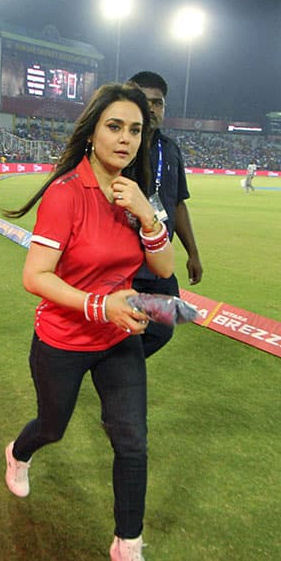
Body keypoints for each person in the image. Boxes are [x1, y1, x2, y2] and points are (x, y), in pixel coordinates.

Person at [1, 83, 174, 561]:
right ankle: (18, 452)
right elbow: (36, 276)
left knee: (133, 441)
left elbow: (164, 271)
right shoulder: (65, 194)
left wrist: (147, 215)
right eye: (115, 127)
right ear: (93, 131)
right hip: (63, 338)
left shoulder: (135, 192)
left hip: (117, 338)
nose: (125, 139)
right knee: (51, 426)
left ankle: (127, 547)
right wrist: (100, 305)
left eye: (136, 130)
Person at [126, 70, 203, 358]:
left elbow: (179, 203)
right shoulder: (117, 146)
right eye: (143, 101)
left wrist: (193, 253)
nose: (151, 108)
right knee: (121, 322)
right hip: (125, 260)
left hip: (160, 260)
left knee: (161, 327)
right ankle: (119, 372)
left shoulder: (170, 150)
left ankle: (118, 366)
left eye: (157, 103)